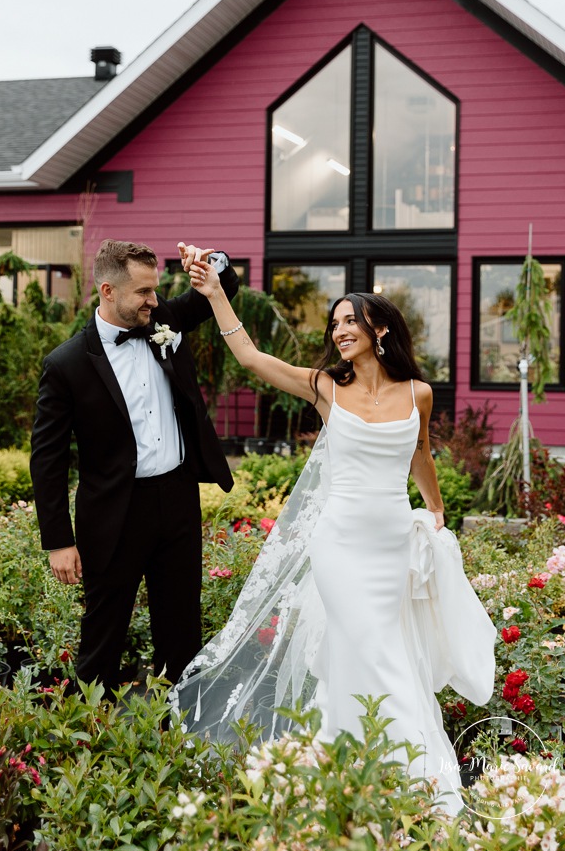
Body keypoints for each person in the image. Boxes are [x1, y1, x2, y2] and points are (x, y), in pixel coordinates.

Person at [171, 264, 496, 816]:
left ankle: (375, 765)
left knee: (377, 649)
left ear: (381, 330)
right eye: (336, 323)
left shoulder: (418, 393)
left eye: (352, 320)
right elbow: (252, 358)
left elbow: (420, 454)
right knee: (368, 643)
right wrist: (214, 294)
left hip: (392, 540)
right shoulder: (325, 386)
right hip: (339, 543)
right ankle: (387, 765)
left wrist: (436, 508)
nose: (340, 330)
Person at [30, 239, 239, 698]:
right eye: (144, 292)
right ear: (108, 290)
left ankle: (177, 732)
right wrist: (59, 541)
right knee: (103, 636)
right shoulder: (66, 364)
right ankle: (92, 739)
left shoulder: (165, 321)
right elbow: (47, 459)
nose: (154, 300)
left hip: (178, 499)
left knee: (180, 629)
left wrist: (209, 263)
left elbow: (228, 284)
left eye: (157, 289)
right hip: (114, 513)